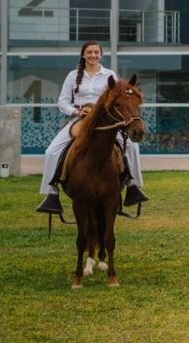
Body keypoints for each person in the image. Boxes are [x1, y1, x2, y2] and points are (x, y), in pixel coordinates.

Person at [36, 41, 149, 214]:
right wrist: (76, 111)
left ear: (101, 55)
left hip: (106, 120)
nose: (93, 55)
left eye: (96, 52)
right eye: (89, 52)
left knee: (132, 146)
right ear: (83, 55)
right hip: (81, 119)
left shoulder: (110, 75)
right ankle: (52, 193)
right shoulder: (73, 76)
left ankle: (133, 186)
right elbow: (62, 102)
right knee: (51, 151)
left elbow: (117, 99)